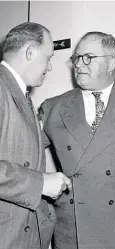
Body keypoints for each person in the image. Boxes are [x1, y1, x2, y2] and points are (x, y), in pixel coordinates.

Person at [39, 31, 115, 249]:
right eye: (77, 58)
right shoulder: (53, 107)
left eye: (88, 57)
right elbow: (21, 152)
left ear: (111, 63)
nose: (79, 64)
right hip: (72, 233)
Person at [0, 22, 72, 249]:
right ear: (30, 52)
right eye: (48, 58)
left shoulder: (19, 92)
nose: (49, 67)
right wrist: (40, 183)